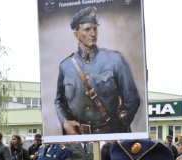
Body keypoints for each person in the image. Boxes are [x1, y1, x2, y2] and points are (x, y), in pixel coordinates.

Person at [55, 6, 141, 135]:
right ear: (76, 34)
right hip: (79, 140)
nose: (93, 33)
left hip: (111, 138)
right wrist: (65, 121)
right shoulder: (65, 66)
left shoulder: (115, 60)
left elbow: (132, 99)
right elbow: (59, 100)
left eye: (95, 28)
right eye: (87, 29)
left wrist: (119, 126)